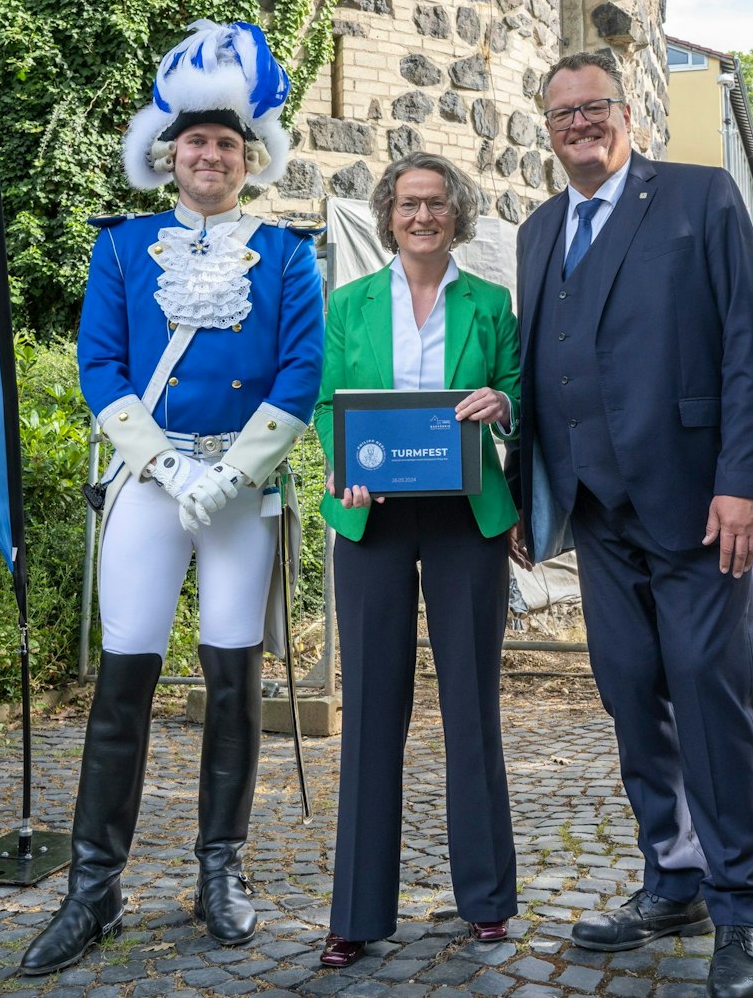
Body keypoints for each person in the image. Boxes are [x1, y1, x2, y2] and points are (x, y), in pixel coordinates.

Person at [20, 20, 324, 975]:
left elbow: (300, 371)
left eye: (228, 144)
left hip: (242, 486)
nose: (210, 155)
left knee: (234, 682)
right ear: (170, 151)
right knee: (124, 683)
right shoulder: (121, 249)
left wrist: (231, 471)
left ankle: (219, 869)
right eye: (195, 141)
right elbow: (100, 369)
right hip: (153, 487)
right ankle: (93, 885)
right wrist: (169, 468)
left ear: (250, 158)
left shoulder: (285, 256)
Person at [508, 50, 753, 998]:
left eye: (594, 107)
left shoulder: (701, 198)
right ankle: (672, 876)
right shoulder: (539, 230)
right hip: (593, 508)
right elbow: (539, 364)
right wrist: (521, 487)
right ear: (546, 131)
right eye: (561, 114)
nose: (578, 123)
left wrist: (746, 480)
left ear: (627, 113)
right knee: (632, 698)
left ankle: (742, 906)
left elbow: (750, 337)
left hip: (699, 503)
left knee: (711, 696)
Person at [310, 152, 523, 968]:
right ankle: (357, 911)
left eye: (436, 203)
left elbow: (515, 390)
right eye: (408, 204)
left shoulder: (491, 303)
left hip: (468, 519)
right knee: (369, 710)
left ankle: (488, 900)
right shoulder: (350, 303)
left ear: (457, 214)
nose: (423, 215)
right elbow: (330, 403)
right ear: (387, 214)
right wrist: (343, 466)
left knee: (471, 705)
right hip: (373, 522)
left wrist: (503, 402)